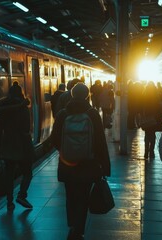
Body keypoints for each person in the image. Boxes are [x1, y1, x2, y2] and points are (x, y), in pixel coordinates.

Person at [51, 82, 111, 240]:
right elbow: (100, 143)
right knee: (83, 197)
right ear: (87, 95)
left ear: (71, 95)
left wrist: (66, 151)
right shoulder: (92, 114)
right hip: (88, 165)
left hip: (67, 164)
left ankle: (72, 225)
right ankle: (78, 230)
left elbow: (54, 140)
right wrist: (105, 166)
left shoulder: (63, 114)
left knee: (71, 196)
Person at [0, 81, 35, 211]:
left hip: (7, 143)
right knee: (28, 172)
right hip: (22, 143)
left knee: (9, 175)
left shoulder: (2, 108)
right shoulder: (23, 107)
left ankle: (9, 202)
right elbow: (26, 128)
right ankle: (22, 195)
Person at [141, 81, 162, 158]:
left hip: (146, 118)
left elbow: (140, 105)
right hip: (154, 119)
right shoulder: (156, 95)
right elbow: (160, 108)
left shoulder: (144, 94)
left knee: (147, 135)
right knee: (153, 135)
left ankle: (145, 152)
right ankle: (151, 152)